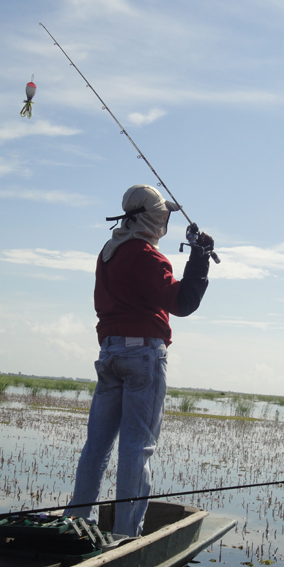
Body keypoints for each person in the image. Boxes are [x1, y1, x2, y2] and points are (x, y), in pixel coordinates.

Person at [64, 184, 213, 537]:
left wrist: (196, 254)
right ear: (154, 218)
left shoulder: (108, 252)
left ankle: (75, 523)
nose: (165, 224)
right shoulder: (146, 256)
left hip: (110, 354)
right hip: (143, 356)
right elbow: (182, 303)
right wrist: (200, 257)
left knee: (97, 445)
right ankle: (127, 536)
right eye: (164, 216)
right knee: (136, 447)